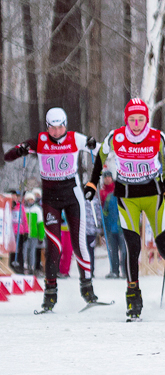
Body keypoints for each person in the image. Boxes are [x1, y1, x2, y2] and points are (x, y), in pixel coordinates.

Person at [85, 99, 165, 318]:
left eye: (140, 119)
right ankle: (133, 297)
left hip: (153, 196)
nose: (136, 123)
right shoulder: (116, 136)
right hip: (127, 198)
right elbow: (100, 158)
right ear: (126, 119)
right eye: (132, 119)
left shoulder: (158, 137)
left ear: (146, 119)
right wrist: (92, 182)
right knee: (132, 248)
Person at [4, 108, 100, 309]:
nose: (57, 132)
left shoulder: (75, 138)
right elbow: (8, 156)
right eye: (53, 128)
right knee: (53, 246)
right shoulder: (39, 141)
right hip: (50, 199)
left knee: (78, 243)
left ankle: (87, 288)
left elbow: (101, 149)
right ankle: (50, 293)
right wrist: (20, 150)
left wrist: (94, 144)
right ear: (47, 127)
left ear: (65, 124)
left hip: (73, 197)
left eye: (60, 127)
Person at [101, 175, 125, 279]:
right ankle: (114, 271)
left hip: (122, 229)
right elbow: (105, 213)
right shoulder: (110, 197)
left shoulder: (124, 196)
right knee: (113, 251)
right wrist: (104, 226)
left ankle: (125, 271)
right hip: (111, 228)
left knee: (124, 251)